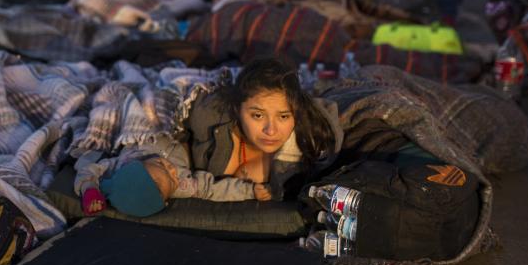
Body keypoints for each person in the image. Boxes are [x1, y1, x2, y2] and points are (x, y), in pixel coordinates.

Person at [75, 58, 342, 216]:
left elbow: (328, 134)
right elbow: (167, 113)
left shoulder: (307, 139)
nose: (271, 130)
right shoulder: (208, 118)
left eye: (284, 116)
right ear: (238, 110)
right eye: (258, 116)